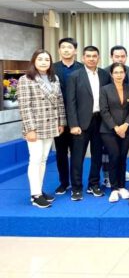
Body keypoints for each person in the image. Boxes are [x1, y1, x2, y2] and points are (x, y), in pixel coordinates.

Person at [18, 49, 66, 208]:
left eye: (47, 59)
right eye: (40, 59)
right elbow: (24, 107)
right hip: (35, 126)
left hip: (51, 124)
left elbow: (59, 102)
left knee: (44, 159)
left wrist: (61, 122)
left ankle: (39, 190)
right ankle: (35, 195)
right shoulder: (26, 79)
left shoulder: (54, 78)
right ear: (34, 61)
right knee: (35, 159)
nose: (44, 62)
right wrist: (30, 129)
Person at [66, 45, 111, 201]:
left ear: (98, 58)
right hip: (81, 122)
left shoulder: (105, 75)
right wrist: (73, 124)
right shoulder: (74, 76)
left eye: (94, 56)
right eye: (88, 56)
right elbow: (70, 102)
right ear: (83, 58)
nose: (92, 59)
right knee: (77, 156)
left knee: (97, 155)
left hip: (100, 121)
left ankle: (94, 184)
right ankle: (76, 188)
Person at [99, 62, 129, 202]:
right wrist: (116, 127)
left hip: (127, 129)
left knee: (122, 157)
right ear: (111, 74)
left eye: (121, 72)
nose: (119, 75)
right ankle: (114, 189)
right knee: (114, 156)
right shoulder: (105, 89)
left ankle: (122, 186)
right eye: (116, 72)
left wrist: (125, 125)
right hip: (109, 130)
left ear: (125, 74)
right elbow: (104, 110)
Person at [52, 37, 83, 195]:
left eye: (69, 47)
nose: (66, 50)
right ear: (59, 50)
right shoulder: (52, 68)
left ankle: (77, 184)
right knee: (61, 152)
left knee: (77, 154)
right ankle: (64, 183)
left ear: (75, 50)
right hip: (59, 118)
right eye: (63, 47)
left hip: (77, 118)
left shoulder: (82, 68)